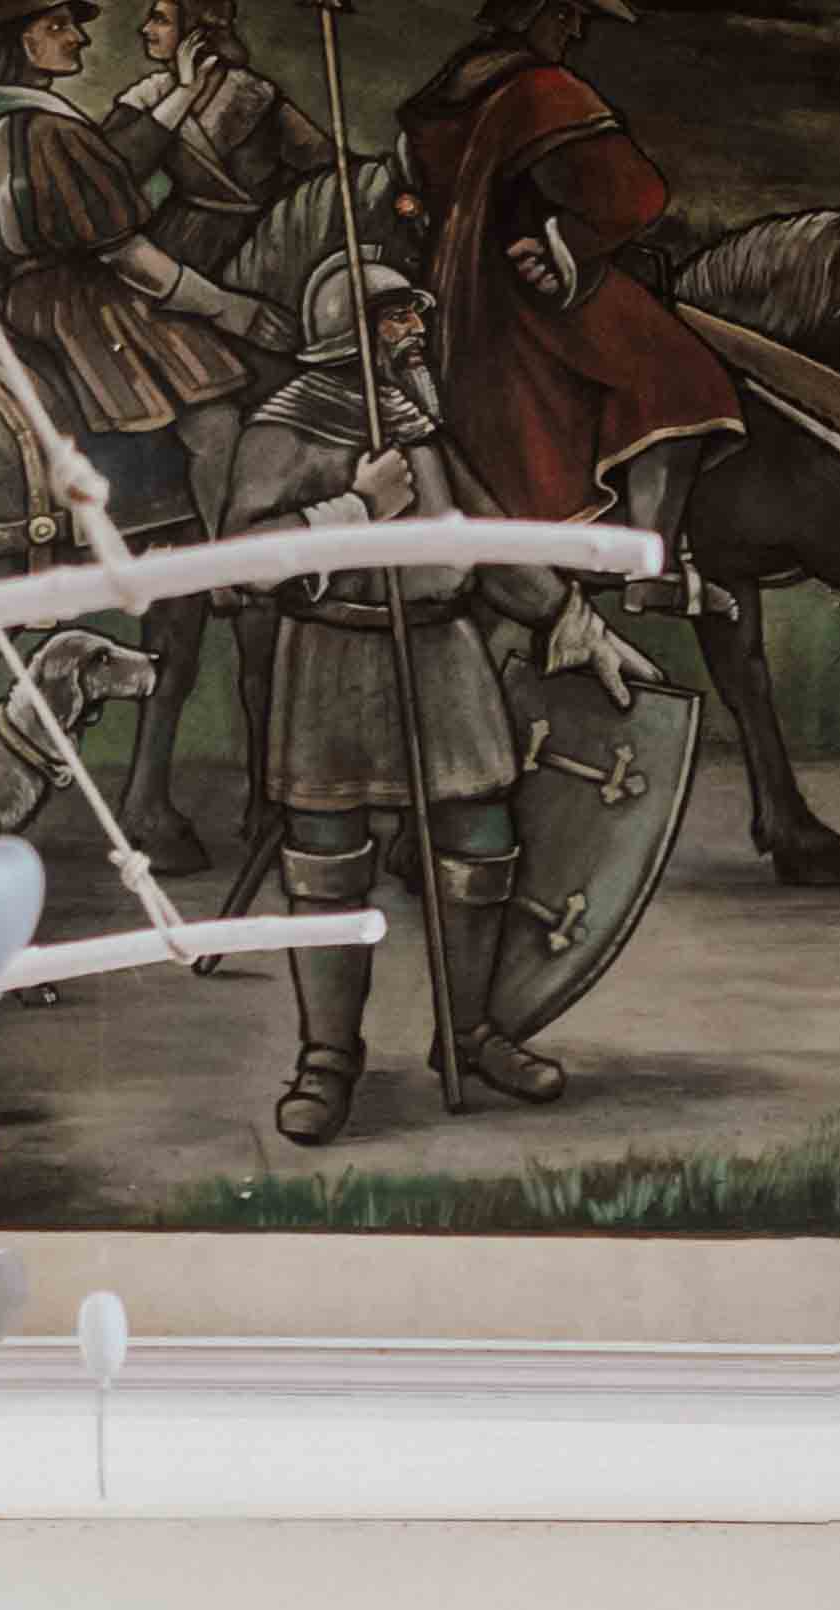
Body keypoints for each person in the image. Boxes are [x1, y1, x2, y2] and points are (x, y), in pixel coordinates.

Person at [215, 248, 663, 1135]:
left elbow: (484, 537)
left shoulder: (417, 426)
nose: (415, 329)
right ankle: (327, 1060)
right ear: (352, 336)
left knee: (481, 847)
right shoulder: (286, 426)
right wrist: (349, 507)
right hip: (335, 660)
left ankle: (468, 1033)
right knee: (328, 862)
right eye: (395, 317)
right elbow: (237, 564)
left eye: (411, 314)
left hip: (442, 657)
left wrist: (570, 621)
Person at [395, 0, 743, 524]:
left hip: (460, 297)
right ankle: (653, 560)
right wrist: (567, 243)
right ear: (529, 9)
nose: (575, 28)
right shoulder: (543, 89)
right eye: (565, 10)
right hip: (531, 292)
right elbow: (637, 196)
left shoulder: (446, 93)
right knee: (685, 380)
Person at [0, 0, 281, 525]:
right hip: (81, 305)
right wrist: (221, 304)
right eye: (57, 26)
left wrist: (182, 91)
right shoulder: (50, 132)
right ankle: (230, 567)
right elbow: (124, 251)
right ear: (22, 42)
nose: (78, 38)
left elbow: (111, 166)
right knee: (215, 421)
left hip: (27, 301)